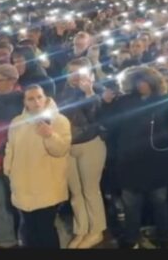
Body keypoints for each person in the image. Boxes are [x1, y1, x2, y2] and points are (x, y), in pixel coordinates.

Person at [102, 66, 168, 248]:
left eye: (145, 81)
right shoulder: (124, 102)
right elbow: (110, 125)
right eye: (138, 81)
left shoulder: (165, 101)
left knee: (160, 204)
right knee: (131, 205)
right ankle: (131, 238)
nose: (142, 85)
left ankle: (164, 237)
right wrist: (107, 104)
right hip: (130, 161)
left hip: (157, 161)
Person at [4, 85, 71, 248]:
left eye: (39, 97)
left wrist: (49, 135)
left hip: (47, 186)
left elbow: (61, 149)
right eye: (31, 98)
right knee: (28, 230)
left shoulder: (59, 121)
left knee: (45, 231)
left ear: (45, 97)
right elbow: (10, 148)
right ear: (25, 102)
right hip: (22, 187)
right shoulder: (17, 122)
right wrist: (9, 170)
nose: (36, 102)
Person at [57, 58, 107, 249]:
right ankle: (82, 230)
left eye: (80, 72)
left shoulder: (97, 90)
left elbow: (96, 115)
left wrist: (89, 93)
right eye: (72, 72)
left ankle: (97, 231)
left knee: (90, 190)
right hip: (68, 145)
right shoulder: (62, 91)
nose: (75, 77)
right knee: (75, 192)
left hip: (90, 144)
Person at [0, 65, 23, 249]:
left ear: (11, 81)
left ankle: (21, 236)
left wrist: (3, 156)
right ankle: (8, 240)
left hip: (15, 162)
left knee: (17, 202)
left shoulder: (22, 101)